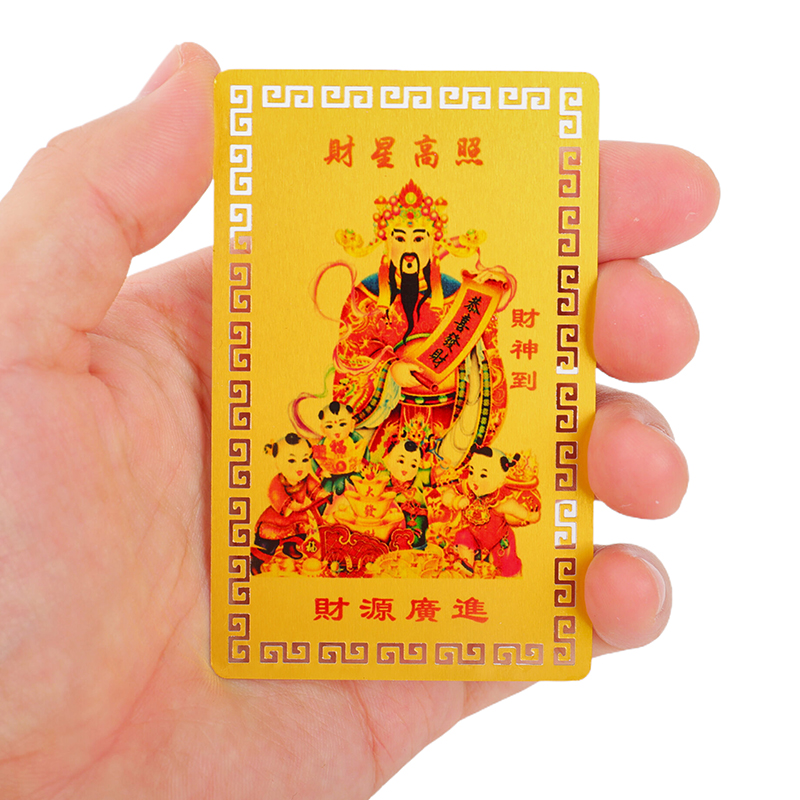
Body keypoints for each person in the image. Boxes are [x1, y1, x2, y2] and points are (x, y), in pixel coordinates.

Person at [0, 44, 719, 798]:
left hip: (443, 430)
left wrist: (458, 405)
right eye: (397, 241)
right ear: (386, 242)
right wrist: (388, 379)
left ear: (433, 243)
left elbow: (483, 371)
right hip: (377, 425)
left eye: (419, 242)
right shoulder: (366, 298)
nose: (408, 252)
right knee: (343, 497)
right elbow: (348, 367)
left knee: (479, 500)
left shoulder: (462, 299)